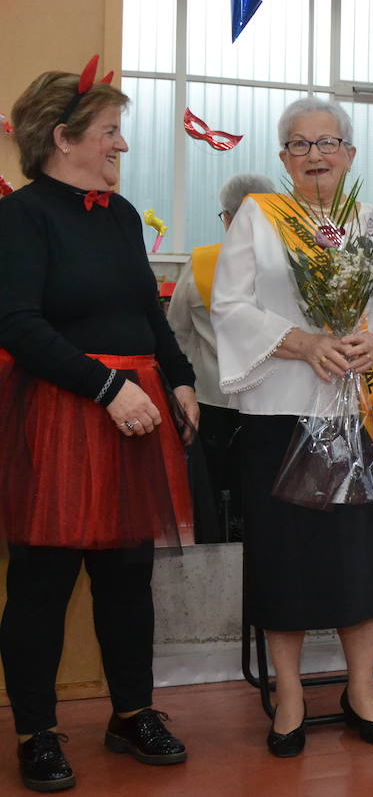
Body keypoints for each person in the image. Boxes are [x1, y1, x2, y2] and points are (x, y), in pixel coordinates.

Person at [212, 97, 373, 756]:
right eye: (300, 145)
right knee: (285, 558)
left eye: (328, 142)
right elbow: (230, 308)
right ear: (282, 159)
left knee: (360, 555)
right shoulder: (260, 217)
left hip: (365, 413)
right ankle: (287, 692)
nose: (315, 155)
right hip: (281, 413)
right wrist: (303, 342)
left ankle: (361, 688)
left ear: (351, 154)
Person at [0, 63, 194, 791]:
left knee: (127, 577)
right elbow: (16, 324)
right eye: (110, 131)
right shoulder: (20, 217)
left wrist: (179, 379)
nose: (122, 145)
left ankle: (131, 713)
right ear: (63, 138)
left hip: (134, 416)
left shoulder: (120, 213)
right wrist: (108, 385)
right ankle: (36, 732)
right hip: (61, 412)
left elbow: (147, 310)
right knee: (42, 584)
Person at [167, 172, 272, 542]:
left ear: (227, 219)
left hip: (212, 399)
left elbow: (176, 332)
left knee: (216, 489)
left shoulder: (201, 264)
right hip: (273, 401)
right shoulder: (291, 266)